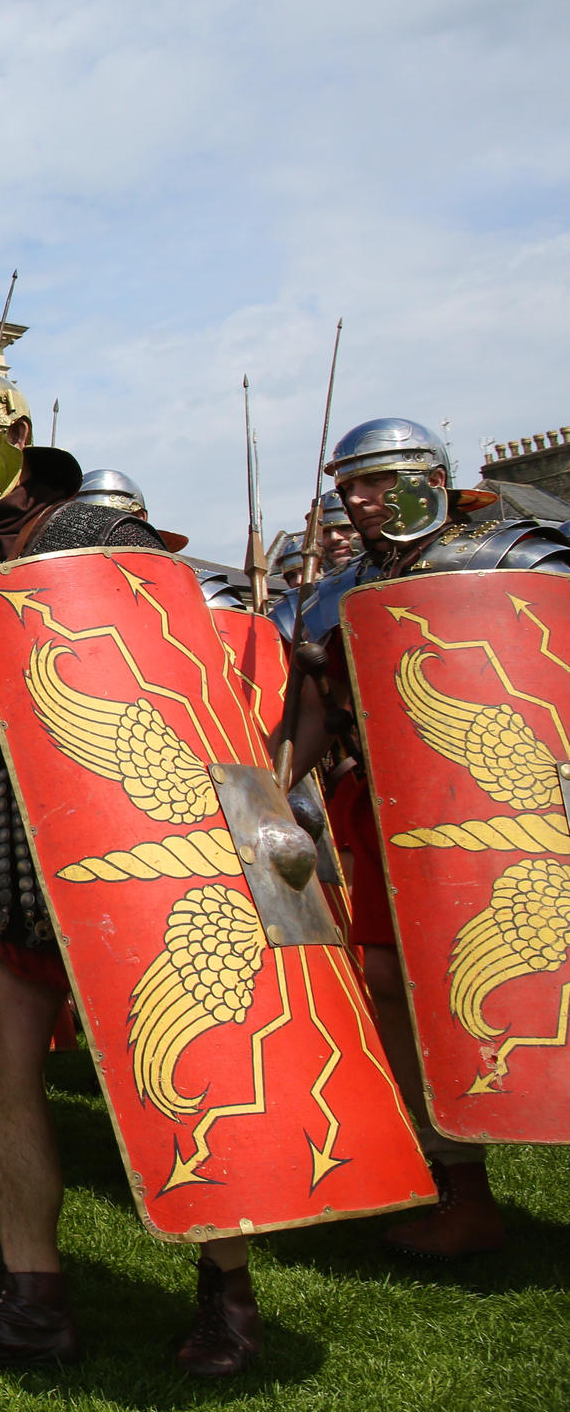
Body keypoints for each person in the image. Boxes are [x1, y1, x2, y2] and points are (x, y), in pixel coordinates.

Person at [0, 368, 273, 1375]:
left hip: (116, 827)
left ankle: (226, 1290)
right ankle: (31, 1300)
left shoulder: (100, 540)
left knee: (171, 1053)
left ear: (18, 433)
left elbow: (182, 683)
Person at [274, 417, 570, 1259]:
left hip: (533, 810)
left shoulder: (518, 556)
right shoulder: (336, 593)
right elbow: (317, 719)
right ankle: (459, 1187)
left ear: (432, 478)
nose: (359, 501)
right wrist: (267, 785)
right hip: (393, 809)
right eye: (348, 487)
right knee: (392, 981)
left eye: (377, 481)